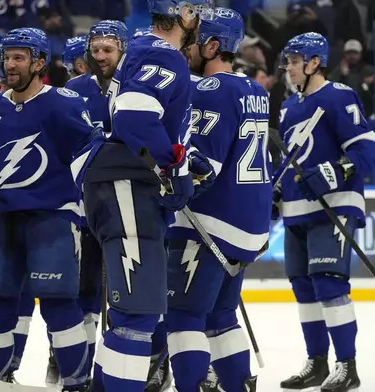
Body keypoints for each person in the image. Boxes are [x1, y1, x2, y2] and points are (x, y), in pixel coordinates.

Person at [71, 1, 215, 391]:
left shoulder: (137, 47)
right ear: (183, 14)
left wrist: (185, 157)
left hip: (114, 184)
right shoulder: (162, 53)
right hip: (127, 187)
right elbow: (134, 116)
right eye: (197, 11)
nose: (200, 21)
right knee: (138, 316)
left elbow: (141, 117)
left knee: (127, 315)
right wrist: (173, 165)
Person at [0, 27, 94, 391]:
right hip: (0, 224)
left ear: (39, 63)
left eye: (19, 57)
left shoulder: (65, 104)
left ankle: (76, 383)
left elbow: (90, 156)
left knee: (58, 307)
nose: (10, 64)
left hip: (52, 219)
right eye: (7, 56)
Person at [162, 8, 268, 391]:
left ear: (211, 46)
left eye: (191, 41)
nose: (184, 48)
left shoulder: (210, 89)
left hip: (208, 224)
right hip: (246, 225)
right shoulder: (254, 89)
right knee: (221, 315)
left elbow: (202, 165)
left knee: (183, 315)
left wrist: (165, 188)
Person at [275, 32, 375, 392]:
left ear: (314, 62)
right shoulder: (288, 107)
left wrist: (336, 171)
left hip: (334, 206)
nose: (288, 68)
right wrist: (274, 190)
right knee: (303, 287)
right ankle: (316, 363)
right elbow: (290, 161)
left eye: (293, 61)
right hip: (297, 209)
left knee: (329, 284)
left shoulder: (340, 97)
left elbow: (366, 150)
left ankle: (347, 366)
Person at [63, 19, 128, 389]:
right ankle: (82, 368)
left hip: (128, 205)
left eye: (108, 49)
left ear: (122, 50)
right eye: (96, 49)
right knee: (84, 291)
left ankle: (147, 361)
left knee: (127, 295)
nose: (100, 56)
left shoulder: (138, 85)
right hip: (84, 207)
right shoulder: (74, 89)